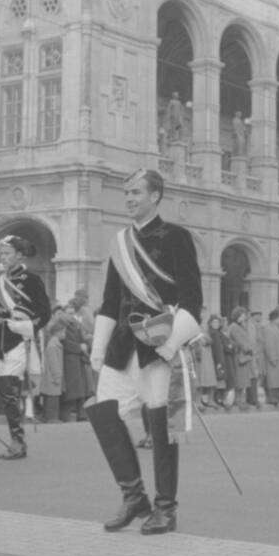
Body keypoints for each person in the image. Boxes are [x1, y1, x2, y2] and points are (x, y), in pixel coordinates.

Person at [86, 168, 201, 535]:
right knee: (104, 412)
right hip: (122, 345)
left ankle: (165, 507)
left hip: (157, 345)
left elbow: (192, 300)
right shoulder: (120, 242)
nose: (130, 199)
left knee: (160, 426)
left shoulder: (177, 237)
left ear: (155, 196)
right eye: (127, 193)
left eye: (137, 192)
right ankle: (134, 496)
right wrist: (98, 346)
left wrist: (170, 344)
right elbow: (108, 301)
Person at [0, 234, 51, 460]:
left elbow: (44, 313)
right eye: (2, 254)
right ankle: (17, 440)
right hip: (1, 342)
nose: (3, 257)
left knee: (9, 391)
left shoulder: (32, 280)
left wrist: (26, 326)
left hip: (21, 341)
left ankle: (17, 442)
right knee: (7, 392)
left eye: (7, 254)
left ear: (19, 255)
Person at [61, 303, 92, 421]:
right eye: (69, 313)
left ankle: (82, 415)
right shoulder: (63, 325)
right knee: (73, 390)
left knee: (82, 389)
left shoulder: (76, 324)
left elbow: (82, 339)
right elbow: (65, 344)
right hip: (69, 360)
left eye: (73, 313)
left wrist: (85, 345)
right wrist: (80, 347)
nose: (71, 315)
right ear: (64, 313)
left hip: (78, 359)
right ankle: (66, 415)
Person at [227, 307, 254, 410]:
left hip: (244, 356)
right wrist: (247, 348)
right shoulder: (234, 327)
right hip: (238, 356)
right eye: (242, 315)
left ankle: (240, 400)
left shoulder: (242, 326)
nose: (244, 317)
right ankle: (238, 400)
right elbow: (240, 341)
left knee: (243, 380)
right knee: (239, 379)